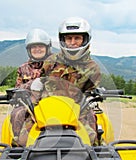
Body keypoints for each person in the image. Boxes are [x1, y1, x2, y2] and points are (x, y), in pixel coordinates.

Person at [41, 17, 101, 145]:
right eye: (69, 38)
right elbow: (39, 84)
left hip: (78, 111)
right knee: (24, 137)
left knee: (90, 137)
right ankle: (19, 157)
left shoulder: (92, 68)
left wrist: (96, 95)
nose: (72, 42)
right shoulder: (50, 62)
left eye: (77, 38)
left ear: (85, 40)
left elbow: (90, 94)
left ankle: (94, 158)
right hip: (47, 110)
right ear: (63, 40)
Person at [10, 28, 52, 146]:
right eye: (34, 47)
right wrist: (33, 84)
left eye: (41, 46)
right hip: (30, 106)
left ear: (47, 48)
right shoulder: (23, 68)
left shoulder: (57, 64)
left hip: (54, 104)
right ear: (29, 50)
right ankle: (19, 148)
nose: (37, 49)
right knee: (17, 114)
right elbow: (17, 89)